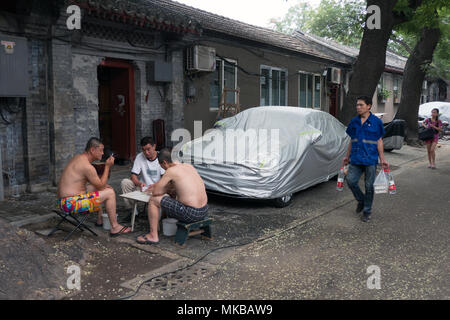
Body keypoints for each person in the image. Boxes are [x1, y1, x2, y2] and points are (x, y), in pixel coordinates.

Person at [57, 137, 131, 236]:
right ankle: (115, 227)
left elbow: (97, 184)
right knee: (110, 193)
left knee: (99, 188)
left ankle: (100, 220)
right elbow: (101, 186)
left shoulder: (78, 158)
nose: (103, 153)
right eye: (101, 150)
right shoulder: (87, 166)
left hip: (63, 202)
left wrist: (103, 186)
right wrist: (107, 166)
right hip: (71, 204)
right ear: (92, 150)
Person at [136, 148, 208, 245]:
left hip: (191, 213)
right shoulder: (188, 166)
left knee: (153, 200)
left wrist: (161, 189)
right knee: (172, 194)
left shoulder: (171, 171)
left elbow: (156, 192)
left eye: (162, 166)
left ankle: (153, 236)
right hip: (204, 210)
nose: (163, 169)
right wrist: (168, 188)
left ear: (165, 162)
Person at [343, 96, 389, 222]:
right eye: (357, 105)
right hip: (356, 158)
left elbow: (379, 141)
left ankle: (367, 211)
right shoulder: (354, 122)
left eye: (361, 105)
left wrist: (382, 159)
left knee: (369, 186)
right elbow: (352, 140)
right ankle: (361, 200)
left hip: (370, 159)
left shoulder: (376, 122)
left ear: (368, 106)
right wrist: (347, 156)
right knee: (351, 181)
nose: (358, 107)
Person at [120, 137, 165, 208]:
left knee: (154, 215)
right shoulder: (140, 156)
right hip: (143, 188)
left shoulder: (162, 157)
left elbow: (165, 179)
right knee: (125, 182)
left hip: (157, 188)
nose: (146, 152)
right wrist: (139, 183)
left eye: (148, 149)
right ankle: (133, 211)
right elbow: (133, 175)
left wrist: (155, 186)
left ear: (154, 146)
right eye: (143, 150)